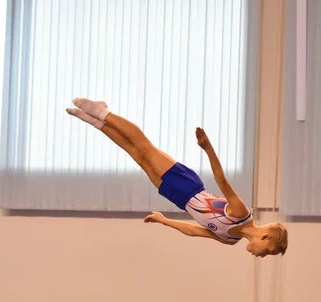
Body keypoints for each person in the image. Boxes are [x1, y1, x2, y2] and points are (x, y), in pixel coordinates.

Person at [66, 98, 288, 257]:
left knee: (137, 156)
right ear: (265, 237)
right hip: (188, 185)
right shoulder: (241, 214)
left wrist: (164, 221)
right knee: (145, 148)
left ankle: (95, 121)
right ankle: (103, 113)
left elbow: (193, 230)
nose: (261, 256)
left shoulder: (229, 239)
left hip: (177, 197)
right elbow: (222, 181)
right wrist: (208, 148)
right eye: (267, 252)